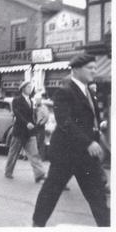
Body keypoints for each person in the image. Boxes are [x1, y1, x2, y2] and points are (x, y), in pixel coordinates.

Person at [32, 53, 110, 227]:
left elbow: (91, 121)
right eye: (90, 68)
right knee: (51, 192)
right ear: (76, 70)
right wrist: (88, 142)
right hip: (66, 155)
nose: (94, 71)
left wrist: (99, 133)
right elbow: (65, 122)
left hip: (86, 157)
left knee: (97, 196)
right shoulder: (64, 92)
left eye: (95, 68)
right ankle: (37, 225)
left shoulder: (89, 91)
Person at [4, 81, 46, 182]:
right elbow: (17, 113)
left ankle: (39, 174)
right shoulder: (16, 100)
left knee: (34, 153)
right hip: (19, 131)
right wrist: (26, 123)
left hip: (30, 132)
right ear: (23, 88)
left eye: (31, 87)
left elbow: (32, 116)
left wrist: (35, 123)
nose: (30, 88)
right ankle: (8, 171)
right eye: (28, 87)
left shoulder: (31, 101)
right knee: (13, 153)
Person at [34, 94, 49, 161]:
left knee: (40, 141)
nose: (37, 101)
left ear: (40, 100)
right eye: (36, 100)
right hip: (35, 126)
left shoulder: (44, 108)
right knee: (35, 141)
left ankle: (42, 157)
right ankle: (36, 156)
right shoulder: (35, 107)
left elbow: (46, 117)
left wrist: (41, 123)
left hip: (40, 126)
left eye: (38, 100)